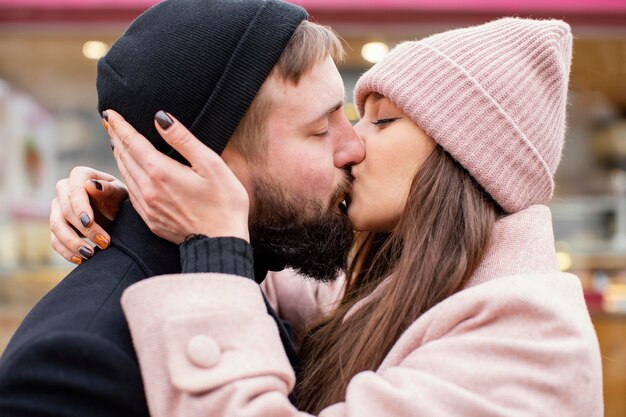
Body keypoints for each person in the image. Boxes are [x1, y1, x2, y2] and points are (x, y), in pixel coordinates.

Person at [51, 17, 603, 416]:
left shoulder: (531, 340)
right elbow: (281, 255)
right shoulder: (397, 281)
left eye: (381, 122)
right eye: (334, 124)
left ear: (465, 157)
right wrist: (144, 200)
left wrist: (210, 241)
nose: (353, 146)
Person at [0, 0, 365, 415]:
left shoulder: (246, 273)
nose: (355, 147)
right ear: (202, 161)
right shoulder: (70, 365)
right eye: (320, 129)